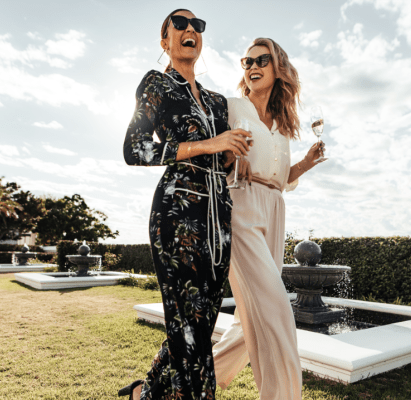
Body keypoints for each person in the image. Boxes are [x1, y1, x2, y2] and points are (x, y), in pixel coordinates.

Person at [120, 9, 252, 400]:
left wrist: (230, 154)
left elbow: (223, 161)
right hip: (177, 213)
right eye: (179, 24)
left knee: (199, 320)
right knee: (188, 327)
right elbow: (134, 149)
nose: (190, 29)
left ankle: (145, 393)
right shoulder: (157, 84)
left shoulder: (216, 101)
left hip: (219, 215)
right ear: (165, 41)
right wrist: (210, 144)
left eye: (198, 26)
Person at [212, 38, 326, 400]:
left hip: (275, 207)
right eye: (247, 61)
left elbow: (281, 177)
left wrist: (305, 164)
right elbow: (211, 154)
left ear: (278, 68)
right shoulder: (232, 107)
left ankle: (169, 388)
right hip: (241, 203)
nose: (252, 66)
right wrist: (229, 156)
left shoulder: (282, 123)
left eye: (262, 59)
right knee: (276, 309)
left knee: (248, 322)